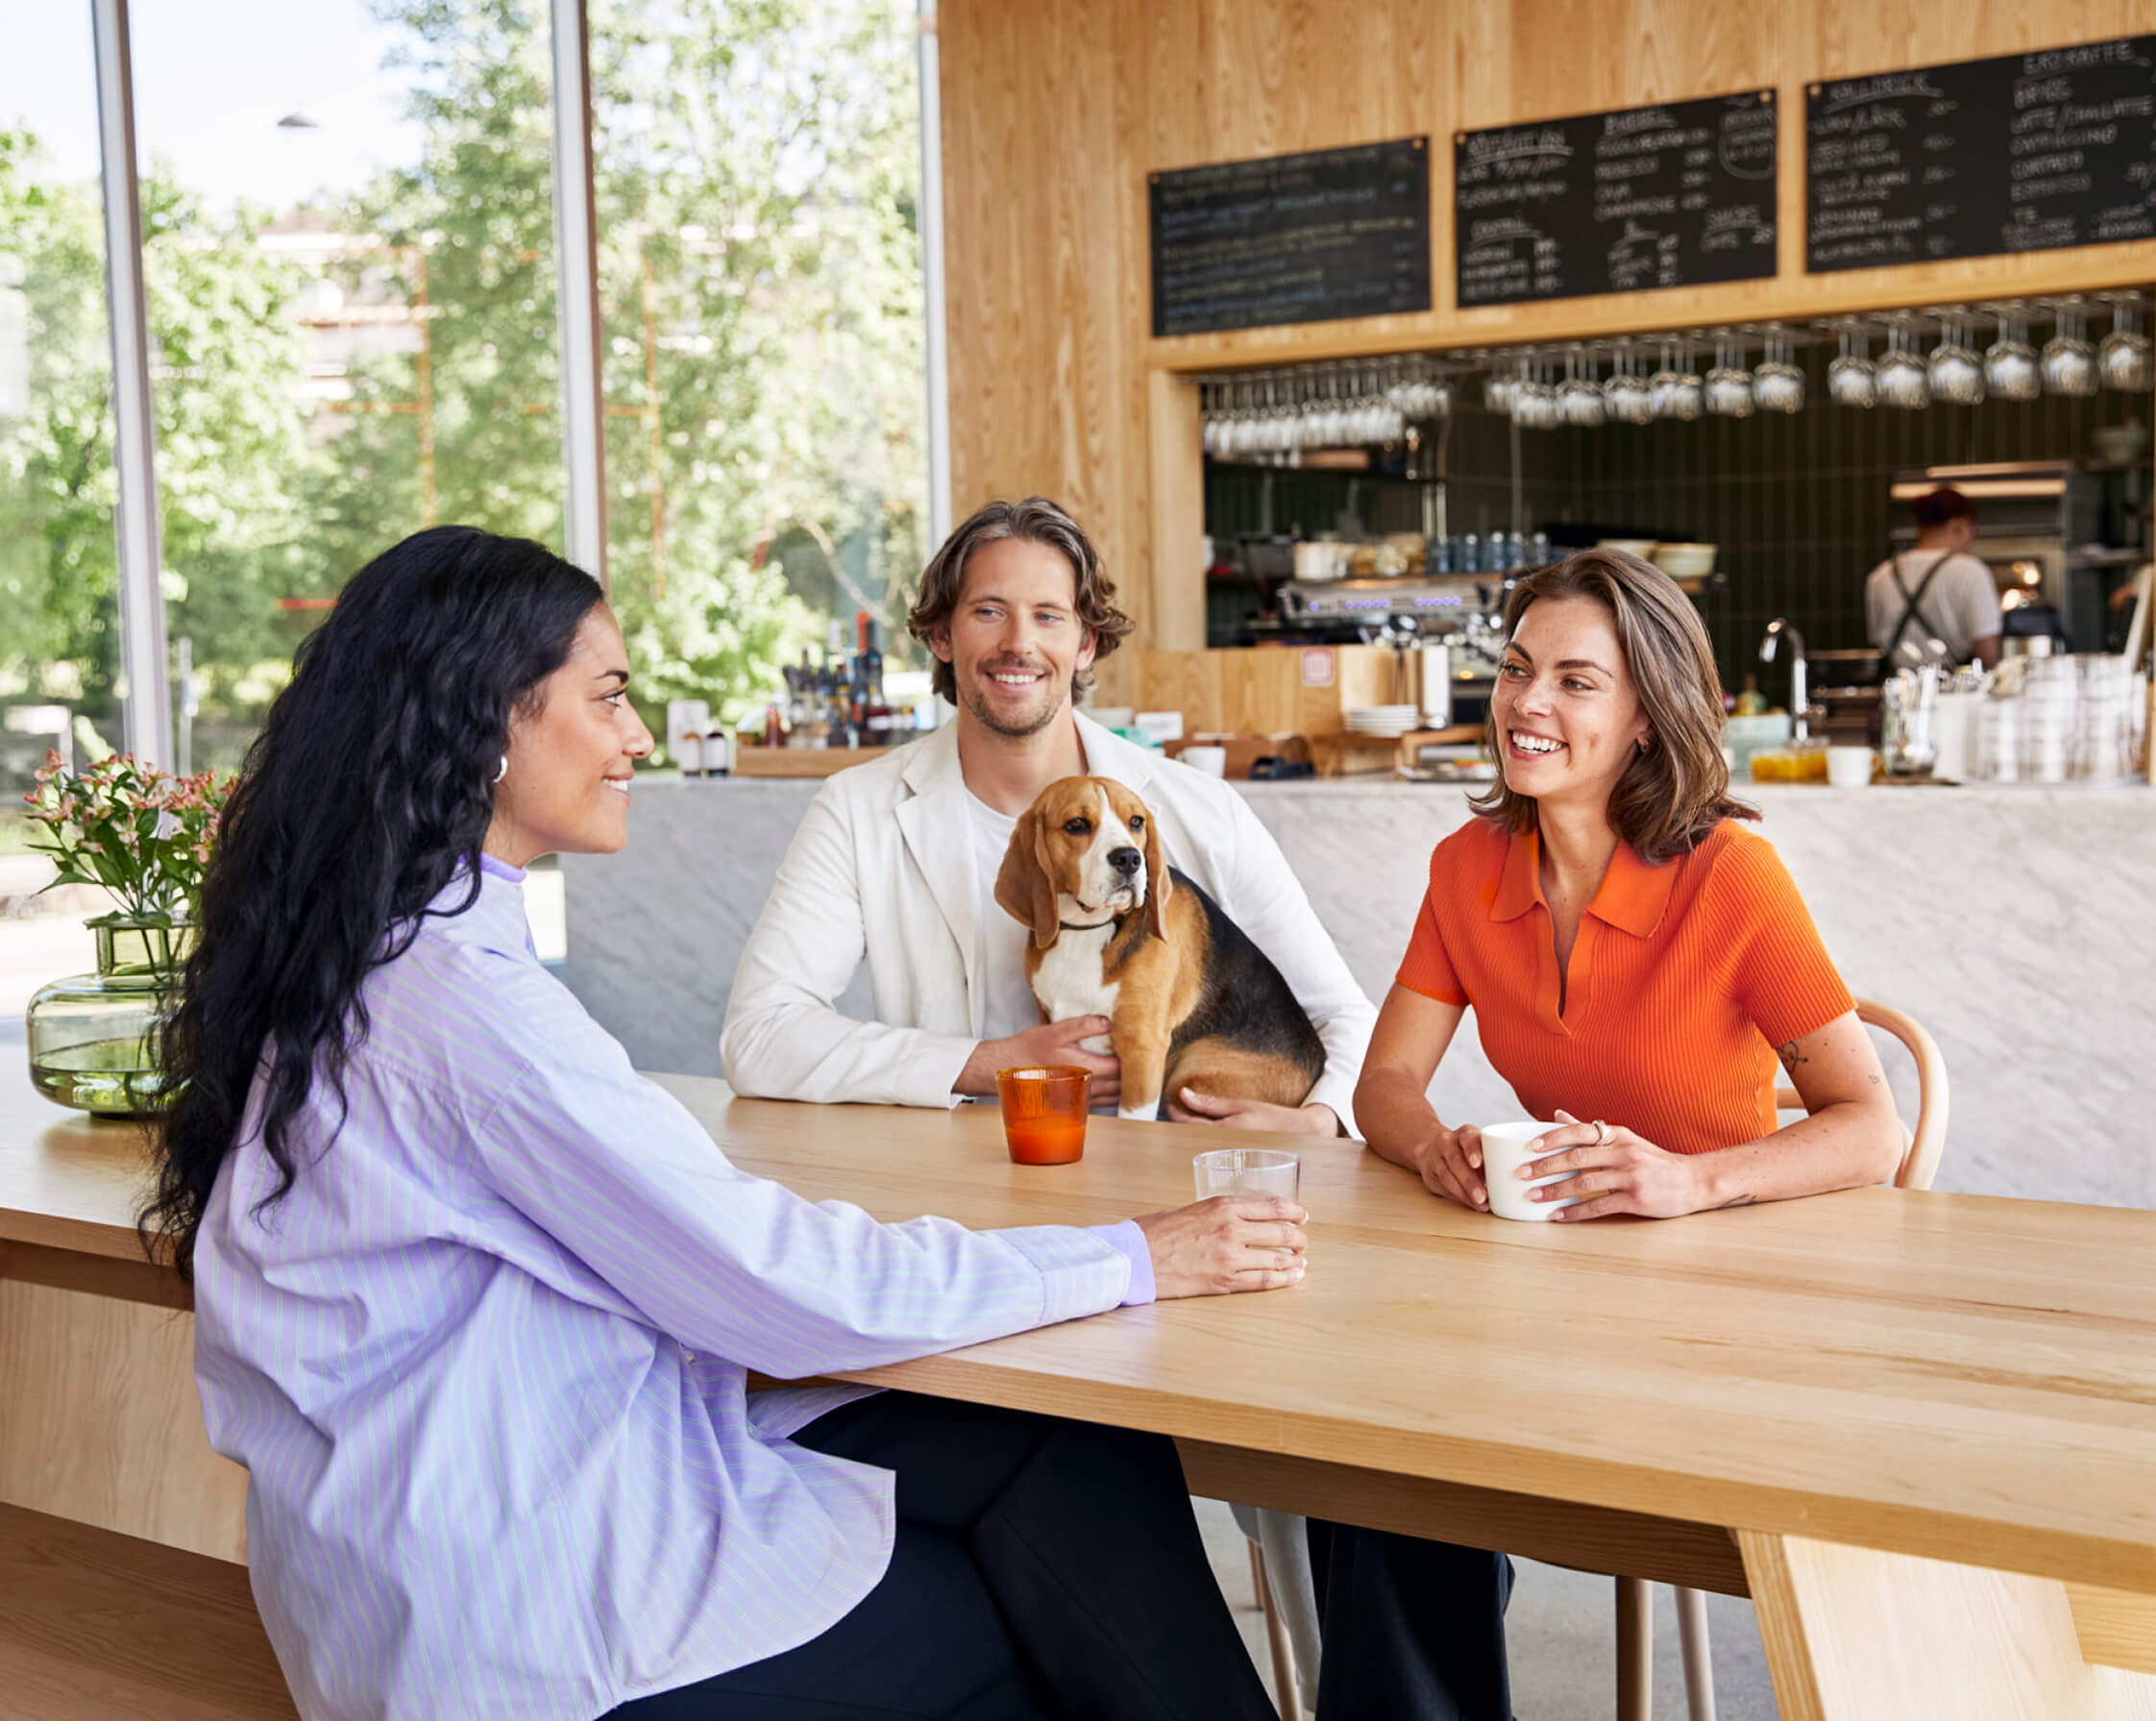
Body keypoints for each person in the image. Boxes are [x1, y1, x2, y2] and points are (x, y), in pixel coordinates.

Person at [148, 526, 1309, 1721]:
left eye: (1052, 619)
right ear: (486, 719)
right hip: (525, 1619)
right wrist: (1132, 1254)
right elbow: (775, 1276)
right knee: (1035, 1617)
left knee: (1072, 1450)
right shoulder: (472, 1013)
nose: (641, 736)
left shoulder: (366, 949)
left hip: (431, 1536)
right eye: (608, 698)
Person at [1318, 548, 1905, 1720]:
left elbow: (1870, 1128)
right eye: (1518, 668)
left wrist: (1688, 1182)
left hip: (1731, 1318)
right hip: (1554, 1297)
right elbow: (1384, 1082)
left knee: (1408, 1459)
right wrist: (1429, 1145)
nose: (1529, 704)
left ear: (1646, 717)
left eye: (1577, 682)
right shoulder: (1469, 867)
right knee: (1367, 1450)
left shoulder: (1732, 877)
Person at [723, 496, 1375, 1136]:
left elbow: (1348, 1021)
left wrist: (1318, 1120)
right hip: (954, 1203)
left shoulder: (1201, 808)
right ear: (942, 635)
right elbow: (759, 1034)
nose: (1019, 643)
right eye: (988, 611)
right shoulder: (856, 811)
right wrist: (988, 1065)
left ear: (1087, 643)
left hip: (1167, 1195)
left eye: (1048, 616)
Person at [1865, 485, 2003, 671]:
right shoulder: (1971, 571)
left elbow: (1876, 643)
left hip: (1899, 690)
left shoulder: (1880, 575)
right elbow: (1987, 654)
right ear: (1959, 525)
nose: (1972, 536)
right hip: (1957, 692)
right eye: (1971, 528)